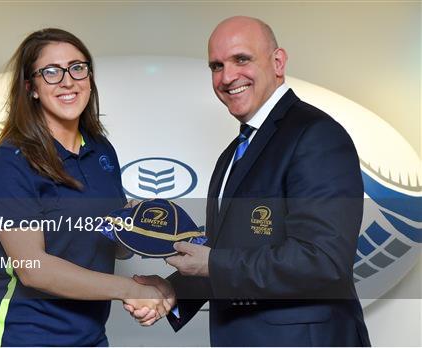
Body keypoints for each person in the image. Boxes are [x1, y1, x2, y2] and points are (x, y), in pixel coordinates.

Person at [127, 16, 371, 346]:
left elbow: (322, 259)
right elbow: (230, 256)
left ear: (278, 62)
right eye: (216, 66)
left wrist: (211, 263)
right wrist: (172, 292)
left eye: (242, 59)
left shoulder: (316, 135)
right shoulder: (233, 155)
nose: (227, 77)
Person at [0, 28, 171, 347]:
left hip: (90, 337)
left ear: (89, 78)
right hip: (23, 337)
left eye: (77, 67)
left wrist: (142, 223)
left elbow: (117, 246)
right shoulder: (9, 162)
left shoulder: (101, 150)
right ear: (31, 88)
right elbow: (33, 271)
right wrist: (130, 290)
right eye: (50, 72)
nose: (68, 80)